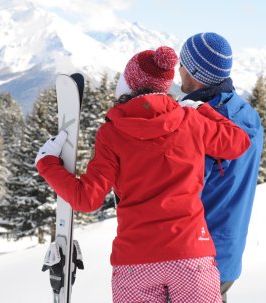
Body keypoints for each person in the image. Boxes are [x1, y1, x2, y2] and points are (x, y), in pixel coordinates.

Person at [35, 45, 251, 303]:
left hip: (136, 262)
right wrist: (201, 109)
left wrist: (47, 163)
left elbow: (86, 199)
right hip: (191, 255)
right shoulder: (191, 121)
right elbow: (239, 143)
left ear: (128, 85)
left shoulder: (111, 134)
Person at [178, 32, 264, 303]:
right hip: (229, 251)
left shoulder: (205, 125)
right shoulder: (246, 114)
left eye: (182, 62)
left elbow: (178, 189)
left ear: (193, 71)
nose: (177, 69)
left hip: (198, 256)